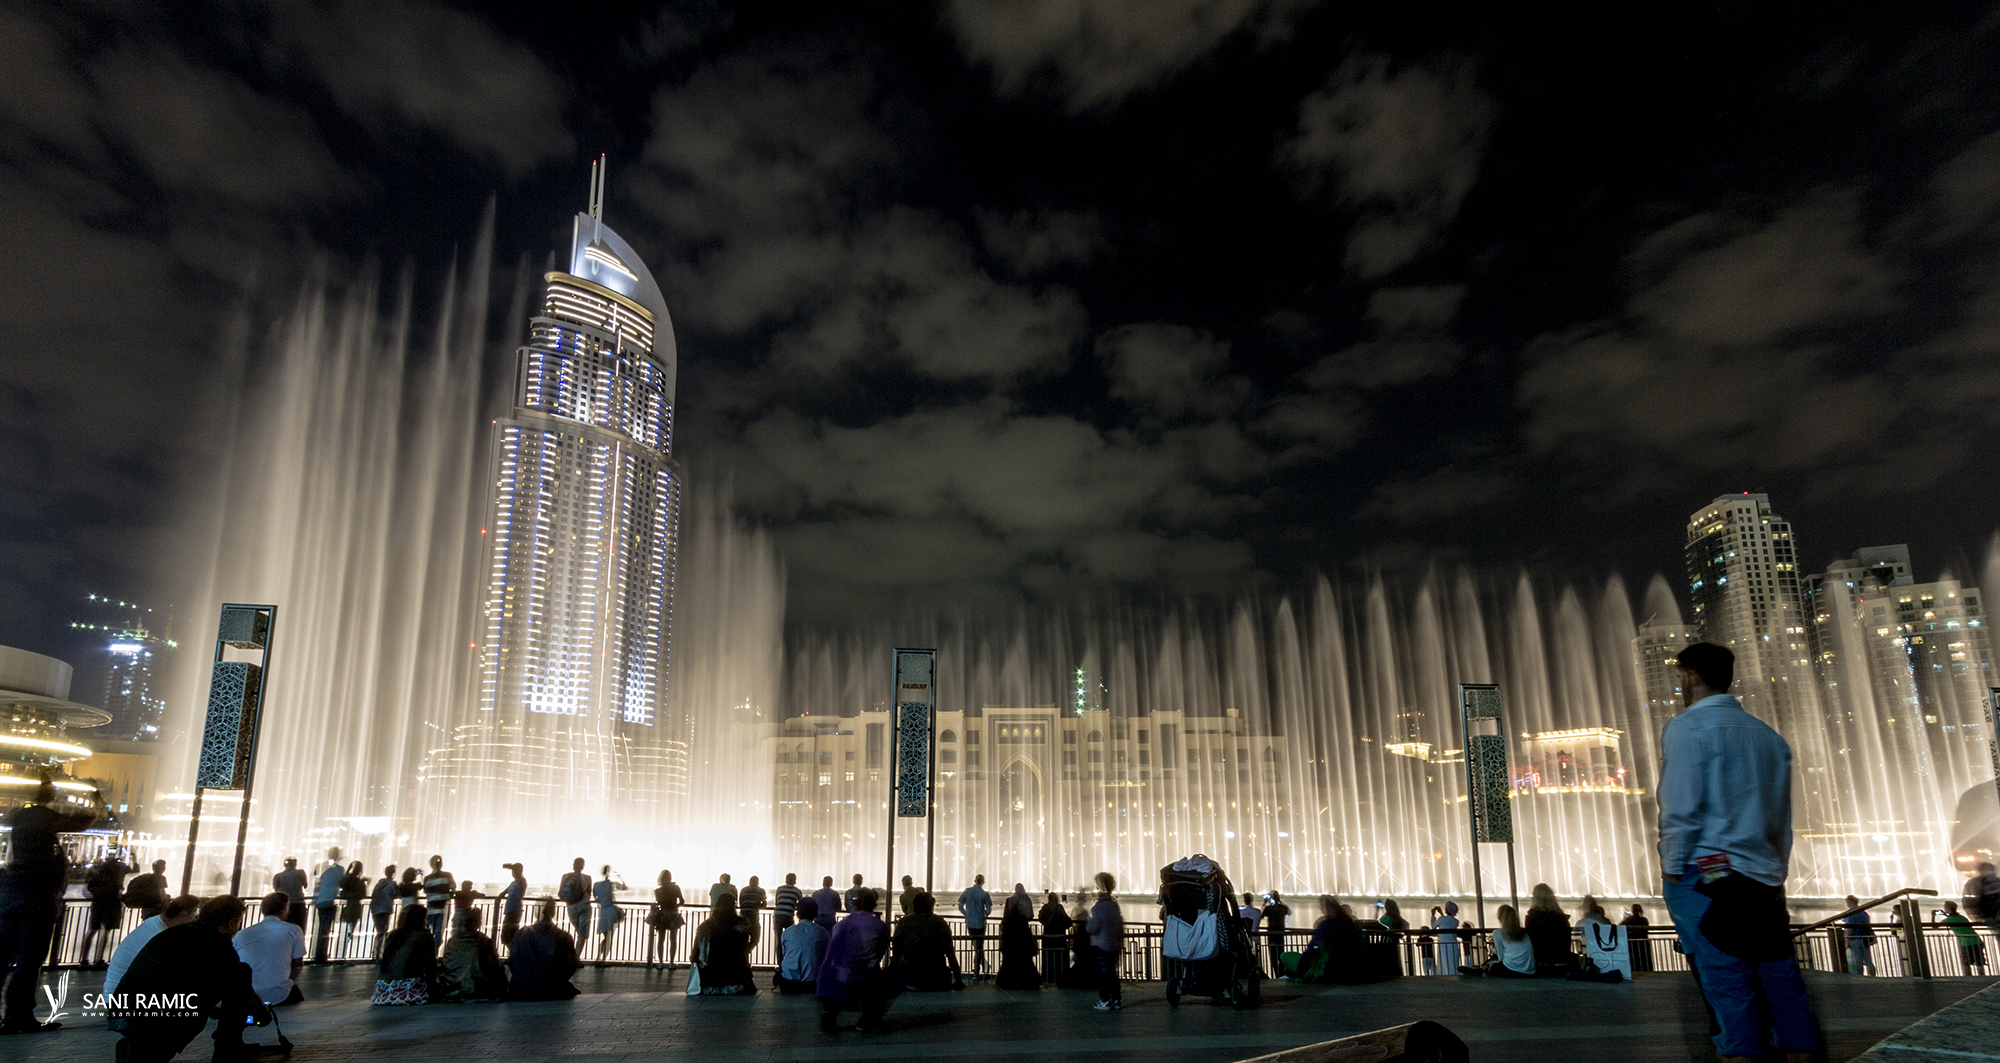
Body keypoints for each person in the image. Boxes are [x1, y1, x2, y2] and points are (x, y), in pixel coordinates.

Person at [1659, 641, 1822, 1061]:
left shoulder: (1687, 727)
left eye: (1680, 676)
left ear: (1692, 676)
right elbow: (1781, 817)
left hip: (1709, 873)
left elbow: (1680, 807)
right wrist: (1776, 868)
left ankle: (1739, 1053)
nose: (1679, 684)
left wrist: (1673, 867)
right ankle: (1800, 1052)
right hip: (1764, 876)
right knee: (1781, 981)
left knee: (1726, 986)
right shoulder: (1770, 738)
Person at [111, 895, 270, 1063]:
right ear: (231, 923)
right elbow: (223, 988)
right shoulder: (219, 946)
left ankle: (137, 1049)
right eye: (237, 923)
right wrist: (257, 1011)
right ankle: (227, 1048)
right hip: (163, 1021)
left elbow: (180, 983)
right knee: (241, 972)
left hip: (124, 1009)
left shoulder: (171, 933)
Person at [0, 777, 96, 1033]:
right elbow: (81, 821)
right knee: (29, 963)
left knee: (3, 958)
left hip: (11, 896)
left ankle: (14, 1016)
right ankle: (17, 1017)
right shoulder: (42, 817)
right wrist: (95, 803)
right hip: (36, 899)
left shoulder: (20, 817)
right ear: (47, 796)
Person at [817, 886, 892, 1032]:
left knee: (842, 981)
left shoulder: (843, 924)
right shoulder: (880, 926)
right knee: (886, 983)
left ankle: (831, 1013)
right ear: (874, 904)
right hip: (868, 978)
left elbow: (832, 954)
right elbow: (880, 953)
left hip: (844, 977)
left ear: (855, 904)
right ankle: (868, 1019)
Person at [106, 894, 202, 1000]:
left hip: (117, 991)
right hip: (124, 997)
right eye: (195, 911)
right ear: (184, 913)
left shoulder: (155, 923)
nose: (195, 916)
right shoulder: (160, 935)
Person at [235, 893, 307, 1006]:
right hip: (279, 995)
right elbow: (298, 963)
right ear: (282, 911)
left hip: (246, 993)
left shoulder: (242, 933)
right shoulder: (293, 930)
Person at [507, 900, 580, 1001]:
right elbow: (571, 964)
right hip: (551, 988)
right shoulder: (563, 936)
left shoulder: (521, 933)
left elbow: (512, 961)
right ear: (553, 912)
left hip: (521, 986)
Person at [889, 890, 961, 991]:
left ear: (914, 906)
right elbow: (950, 954)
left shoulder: (903, 922)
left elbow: (896, 954)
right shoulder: (940, 923)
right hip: (936, 978)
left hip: (910, 978)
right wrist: (959, 980)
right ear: (931, 906)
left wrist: (889, 978)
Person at [437, 907, 507, 1001]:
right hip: (479, 988)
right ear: (476, 923)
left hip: (452, 988)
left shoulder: (452, 941)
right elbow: (494, 965)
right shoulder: (483, 941)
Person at [691, 897, 758, 995]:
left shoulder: (705, 927)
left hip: (710, 985)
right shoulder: (741, 926)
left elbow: (694, 957)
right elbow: (745, 948)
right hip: (737, 983)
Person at [1296, 895, 1369, 984]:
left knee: (1286, 956)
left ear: (1325, 908)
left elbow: (1313, 947)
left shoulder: (1326, 925)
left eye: (1321, 907)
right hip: (1352, 968)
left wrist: (1303, 965)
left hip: (1330, 968)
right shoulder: (1349, 922)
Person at [374, 905, 438, 1005]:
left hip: (383, 991)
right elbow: (430, 964)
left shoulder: (393, 935)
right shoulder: (423, 935)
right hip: (407, 990)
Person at [82, 852, 131, 968]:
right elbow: (132, 869)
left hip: (98, 902)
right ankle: (99, 959)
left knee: (93, 930)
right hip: (112, 903)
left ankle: (84, 960)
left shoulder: (99, 874)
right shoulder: (118, 872)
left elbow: (89, 888)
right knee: (106, 931)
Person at [1085, 871, 1123, 1011]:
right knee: (1112, 973)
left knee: (1103, 974)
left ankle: (1105, 1000)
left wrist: (1088, 923)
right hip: (1114, 945)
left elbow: (1093, 928)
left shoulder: (1099, 907)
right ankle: (1117, 999)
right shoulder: (1114, 906)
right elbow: (1119, 925)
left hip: (1102, 945)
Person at [775, 897, 830, 993]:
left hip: (788, 983)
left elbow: (785, 953)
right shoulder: (822, 933)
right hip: (812, 984)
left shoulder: (787, 932)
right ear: (816, 914)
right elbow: (827, 957)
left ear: (797, 914)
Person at [996, 887, 1042, 990]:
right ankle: (1028, 980)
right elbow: (1030, 916)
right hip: (1023, 932)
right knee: (1025, 958)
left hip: (1010, 933)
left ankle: (1009, 980)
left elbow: (1005, 916)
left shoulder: (1009, 900)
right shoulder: (1026, 900)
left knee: (1010, 958)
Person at [1523, 883, 1574, 975]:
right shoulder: (1562, 918)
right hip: (1563, 962)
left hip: (1542, 964)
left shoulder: (1533, 917)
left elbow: (1532, 941)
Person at [1479, 904, 1535, 977]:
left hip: (1512, 970)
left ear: (1500, 918)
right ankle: (1483, 967)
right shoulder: (1524, 933)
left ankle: (1481, 968)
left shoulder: (1498, 933)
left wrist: (1493, 962)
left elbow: (1501, 957)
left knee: (1491, 965)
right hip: (1529, 970)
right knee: (1493, 959)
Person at [648, 869, 686, 970]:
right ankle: (671, 963)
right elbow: (682, 901)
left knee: (661, 939)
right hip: (673, 915)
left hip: (662, 916)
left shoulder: (657, 891)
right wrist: (676, 906)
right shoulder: (676, 888)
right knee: (673, 940)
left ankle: (660, 963)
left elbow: (660, 902)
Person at [311, 851, 343, 963]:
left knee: (321, 929)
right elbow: (342, 883)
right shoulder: (339, 870)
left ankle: (317, 955)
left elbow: (316, 881)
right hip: (329, 902)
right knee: (325, 930)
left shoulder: (323, 867)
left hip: (320, 901)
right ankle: (321, 957)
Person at [958, 874, 992, 978]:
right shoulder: (985, 894)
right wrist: (984, 914)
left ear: (974, 881)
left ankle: (982, 965)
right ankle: (977, 971)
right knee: (979, 947)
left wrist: (966, 914)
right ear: (983, 882)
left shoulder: (967, 891)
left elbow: (960, 906)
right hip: (980, 923)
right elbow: (989, 910)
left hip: (970, 923)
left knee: (975, 945)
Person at [1942, 900, 1988, 974]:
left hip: (1966, 942)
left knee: (1966, 963)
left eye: (1945, 907)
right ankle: (1982, 978)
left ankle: (1968, 978)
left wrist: (1933, 915)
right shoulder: (1962, 917)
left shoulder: (1949, 919)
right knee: (1979, 962)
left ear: (1948, 909)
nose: (1944, 908)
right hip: (1977, 940)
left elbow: (1934, 927)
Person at [593, 865, 625, 966]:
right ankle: (603, 960)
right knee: (609, 937)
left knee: (605, 936)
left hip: (603, 911)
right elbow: (625, 887)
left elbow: (596, 898)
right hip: (611, 911)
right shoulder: (611, 884)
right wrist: (620, 877)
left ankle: (598, 958)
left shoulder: (596, 885)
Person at [1039, 891, 1073, 983]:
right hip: (1059, 938)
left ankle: (1047, 977)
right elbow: (1068, 921)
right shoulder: (1059, 908)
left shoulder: (1045, 908)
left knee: (1048, 958)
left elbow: (1040, 919)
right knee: (1059, 959)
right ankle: (1059, 977)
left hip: (1047, 938)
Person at [421, 855, 456, 943]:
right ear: (440, 864)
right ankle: (435, 953)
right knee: (439, 932)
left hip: (430, 908)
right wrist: (449, 894)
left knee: (427, 931)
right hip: (443, 908)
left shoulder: (427, 878)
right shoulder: (447, 875)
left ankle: (428, 951)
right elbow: (453, 887)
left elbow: (425, 891)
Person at [558, 858, 593, 942]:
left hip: (571, 907)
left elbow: (562, 892)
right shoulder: (587, 878)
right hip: (584, 907)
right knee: (582, 934)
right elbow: (588, 894)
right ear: (583, 866)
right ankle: (576, 955)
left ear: (573, 865)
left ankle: (574, 953)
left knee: (579, 931)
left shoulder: (565, 876)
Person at [1964, 861, 2000, 939]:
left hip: (1986, 916)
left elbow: (1967, 901)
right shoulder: (1997, 881)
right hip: (1993, 916)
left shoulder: (1972, 883)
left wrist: (1974, 915)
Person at [271, 857, 309, 932]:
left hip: (284, 905)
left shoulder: (278, 876)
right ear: (295, 864)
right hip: (299, 903)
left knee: (284, 929)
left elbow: (276, 890)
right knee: (299, 928)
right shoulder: (301, 873)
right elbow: (305, 885)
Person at [370, 864, 400, 956]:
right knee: (383, 932)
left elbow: (373, 895)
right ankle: (380, 954)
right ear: (393, 873)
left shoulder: (378, 884)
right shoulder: (392, 883)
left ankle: (375, 952)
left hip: (375, 909)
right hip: (385, 909)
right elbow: (396, 894)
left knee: (379, 931)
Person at [338, 861, 367, 954]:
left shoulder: (348, 879)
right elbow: (363, 894)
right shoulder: (359, 882)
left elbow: (341, 884)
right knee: (351, 931)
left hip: (348, 906)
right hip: (356, 907)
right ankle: (345, 953)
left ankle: (341, 953)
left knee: (344, 931)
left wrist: (347, 870)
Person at [1842, 897, 1876, 975]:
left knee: (1857, 961)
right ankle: (1873, 976)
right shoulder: (1864, 913)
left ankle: (1860, 976)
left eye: (1847, 901)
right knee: (1868, 960)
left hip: (1855, 939)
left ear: (1849, 902)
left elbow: (1850, 928)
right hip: (1865, 939)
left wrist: (1847, 941)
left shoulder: (1851, 913)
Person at [1263, 891, 1291, 978]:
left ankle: (1276, 974)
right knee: (1281, 954)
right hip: (1280, 934)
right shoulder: (1283, 908)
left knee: (1273, 957)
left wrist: (1264, 903)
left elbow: (1261, 915)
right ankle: (1282, 974)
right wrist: (1280, 901)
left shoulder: (1269, 908)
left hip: (1271, 935)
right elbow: (1289, 911)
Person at [499, 863, 527, 948]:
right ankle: (513, 953)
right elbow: (503, 893)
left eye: (514, 871)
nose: (513, 873)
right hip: (509, 911)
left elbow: (520, 878)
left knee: (510, 934)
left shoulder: (522, 881)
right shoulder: (513, 883)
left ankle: (514, 953)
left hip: (515, 911)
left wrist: (512, 867)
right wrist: (498, 898)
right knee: (506, 934)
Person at [1622, 904, 1652, 972]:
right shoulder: (1644, 920)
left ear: (1632, 910)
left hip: (1633, 944)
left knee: (1634, 960)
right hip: (1644, 944)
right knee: (1644, 960)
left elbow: (1621, 926)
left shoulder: (1629, 920)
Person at [1435, 902, 1462, 975]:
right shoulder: (1456, 921)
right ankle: (1454, 974)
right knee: (1452, 960)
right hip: (1453, 943)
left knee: (1444, 960)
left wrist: (1432, 916)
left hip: (1443, 943)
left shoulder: (1442, 919)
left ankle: (1446, 975)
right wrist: (1441, 914)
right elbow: (1447, 921)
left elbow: (1433, 926)